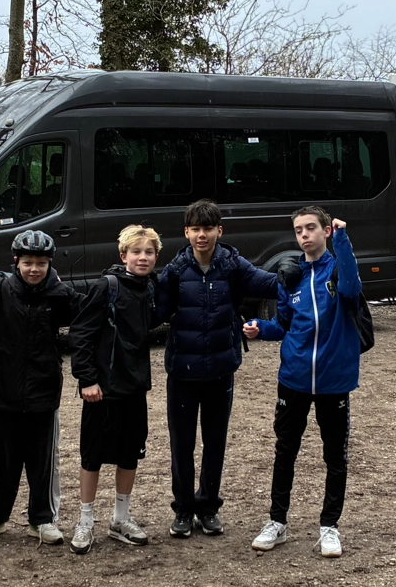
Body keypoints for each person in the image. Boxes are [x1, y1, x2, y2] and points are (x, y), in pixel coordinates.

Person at [155, 198, 283, 538]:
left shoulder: (233, 266)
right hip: (182, 371)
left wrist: (293, 269)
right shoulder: (175, 271)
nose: (202, 235)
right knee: (182, 444)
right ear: (186, 232)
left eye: (208, 228)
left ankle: (208, 506)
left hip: (220, 369)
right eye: (196, 229)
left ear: (219, 231)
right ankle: (184, 508)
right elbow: (154, 312)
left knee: (215, 442)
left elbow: (269, 283)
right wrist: (126, 284)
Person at [243, 208, 363, 558]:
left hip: (333, 380)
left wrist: (343, 240)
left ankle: (329, 527)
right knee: (285, 450)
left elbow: (352, 289)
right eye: (298, 230)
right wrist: (259, 329)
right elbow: (283, 324)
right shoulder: (291, 275)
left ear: (326, 231)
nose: (304, 235)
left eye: (311, 228)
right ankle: (277, 522)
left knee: (334, 455)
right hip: (293, 378)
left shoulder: (338, 268)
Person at [0, 230, 80, 548]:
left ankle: (42, 519)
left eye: (41, 263)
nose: (34, 269)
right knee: (4, 458)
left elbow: (87, 315)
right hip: (4, 386)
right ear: (16, 262)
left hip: (43, 387)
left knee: (43, 459)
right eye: (28, 262)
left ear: (50, 264)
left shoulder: (59, 294)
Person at [68, 224, 161, 553]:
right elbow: (80, 333)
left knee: (129, 454)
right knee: (92, 456)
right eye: (136, 252)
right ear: (123, 255)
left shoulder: (151, 288)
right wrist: (87, 379)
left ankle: (120, 519)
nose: (143, 257)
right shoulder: (106, 286)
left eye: (149, 252)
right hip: (102, 390)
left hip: (134, 389)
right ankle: (85, 521)